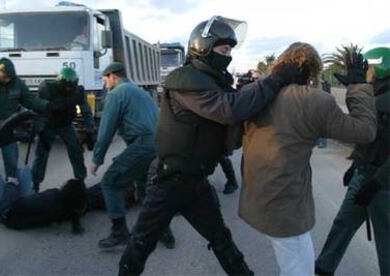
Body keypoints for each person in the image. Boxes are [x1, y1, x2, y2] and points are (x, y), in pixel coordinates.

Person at [117, 15, 307, 275]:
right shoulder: (185, 80)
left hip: (196, 182)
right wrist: (273, 80)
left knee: (222, 240)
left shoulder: (213, 82)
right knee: (140, 244)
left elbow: (242, 103)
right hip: (170, 181)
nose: (227, 55)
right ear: (203, 47)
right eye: (223, 49)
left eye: (230, 50)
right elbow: (230, 109)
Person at [239, 42, 377, 275]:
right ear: (312, 70)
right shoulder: (314, 100)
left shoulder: (254, 93)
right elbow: (364, 131)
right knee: (298, 269)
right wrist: (358, 86)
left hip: (256, 199)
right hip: (285, 207)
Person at [315, 47, 390, 276]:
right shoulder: (373, 95)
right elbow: (367, 137)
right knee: (342, 225)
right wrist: (354, 164)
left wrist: (376, 182)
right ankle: (323, 268)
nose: (365, 71)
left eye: (367, 67)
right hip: (363, 174)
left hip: (384, 185)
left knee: (386, 242)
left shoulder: (381, 99)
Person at [88, 62, 174, 250]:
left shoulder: (117, 94)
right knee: (144, 190)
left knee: (110, 183)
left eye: (105, 79)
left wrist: (96, 159)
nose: (105, 83)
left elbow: (106, 130)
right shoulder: (140, 92)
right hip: (157, 145)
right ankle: (164, 231)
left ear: (112, 76)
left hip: (142, 145)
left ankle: (119, 232)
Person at [0, 57, 83, 183]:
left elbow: (30, 100)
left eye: (10, 78)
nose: (8, 80)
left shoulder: (17, 83)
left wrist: (47, 105)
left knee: (11, 163)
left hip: (6, 129)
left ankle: (10, 191)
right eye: (5, 77)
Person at [31, 68, 94, 192]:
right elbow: (38, 110)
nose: (68, 90)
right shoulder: (47, 88)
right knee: (41, 154)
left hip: (65, 124)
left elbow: (86, 110)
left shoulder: (78, 91)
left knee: (76, 149)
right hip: (48, 123)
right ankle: (35, 183)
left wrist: (90, 129)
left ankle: (80, 180)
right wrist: (38, 129)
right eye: (66, 87)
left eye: (71, 87)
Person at [0, 169, 87, 233]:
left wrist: (11, 186)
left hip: (7, 213)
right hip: (26, 207)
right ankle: (11, 179)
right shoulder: (68, 208)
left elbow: (18, 204)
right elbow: (76, 209)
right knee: (24, 171)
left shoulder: (50, 199)